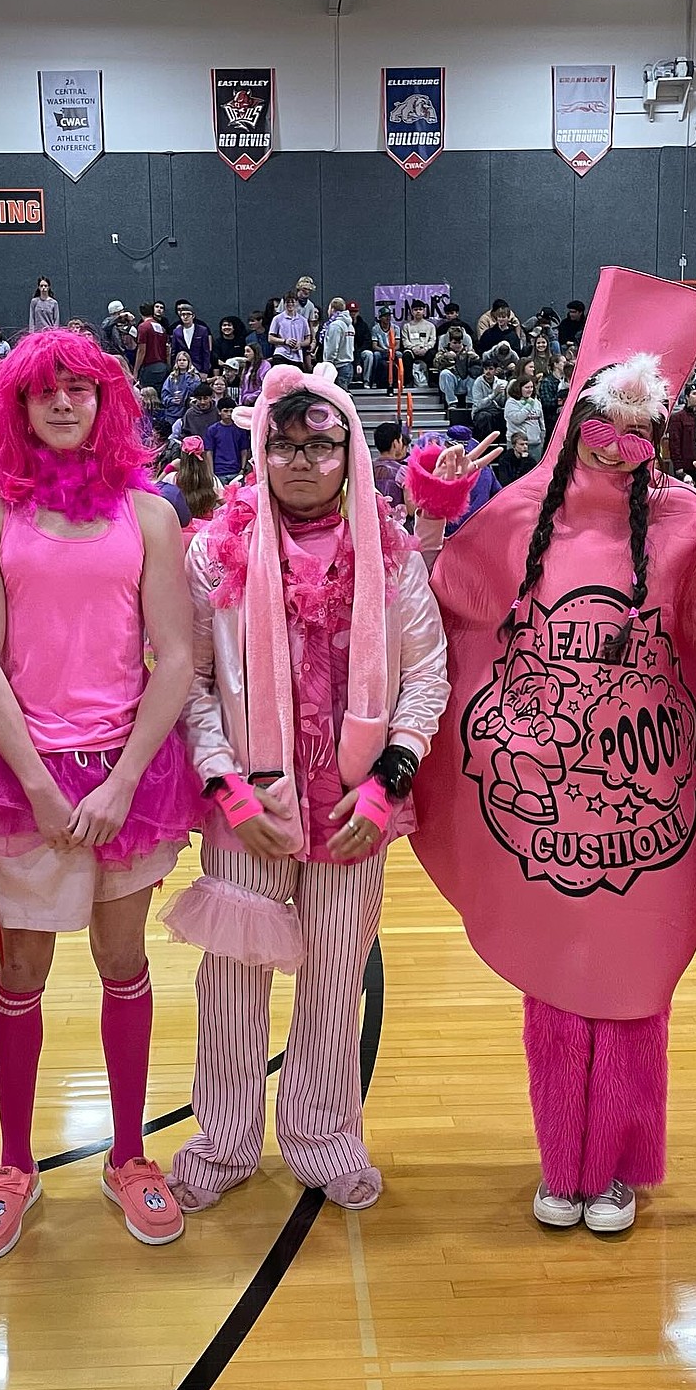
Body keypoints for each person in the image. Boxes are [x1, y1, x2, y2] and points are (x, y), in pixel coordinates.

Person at [411, 274, 696, 1238]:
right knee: (555, 987)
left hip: (646, 806)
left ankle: (618, 1166)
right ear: (577, 417)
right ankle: (563, 1162)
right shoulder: (516, 520)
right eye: (605, 422)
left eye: (638, 427)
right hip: (545, 810)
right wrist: (431, 513)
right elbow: (434, 610)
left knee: (629, 992)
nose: (620, 445)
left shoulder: (680, 526)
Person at [162, 361, 452, 1216]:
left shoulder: (392, 557)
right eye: (283, 446)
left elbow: (425, 677)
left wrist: (387, 783)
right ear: (260, 450)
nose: (300, 462)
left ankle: (324, 1134)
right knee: (235, 978)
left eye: (319, 445)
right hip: (247, 807)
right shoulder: (213, 553)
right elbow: (192, 680)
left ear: (348, 452)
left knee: (335, 974)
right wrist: (225, 785)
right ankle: (223, 1137)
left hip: (355, 809)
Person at [0, 327, 205, 1258]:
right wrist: (38, 785)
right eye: (45, 391)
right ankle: (14, 1164)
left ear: (107, 404)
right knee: (21, 973)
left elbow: (176, 656)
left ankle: (129, 1156)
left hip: (128, 771)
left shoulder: (150, 516)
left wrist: (123, 781)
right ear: (16, 406)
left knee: (122, 961)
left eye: (81, 389)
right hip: (27, 780)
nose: (64, 403)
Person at [204, 397, 247, 483]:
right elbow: (209, 452)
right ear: (219, 412)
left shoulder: (240, 429)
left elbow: (244, 450)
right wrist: (211, 472)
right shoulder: (212, 430)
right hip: (218, 472)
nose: (229, 414)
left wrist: (242, 469)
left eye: (231, 411)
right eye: (226, 411)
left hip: (236, 471)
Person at [503, 376, 547, 460]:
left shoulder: (536, 402)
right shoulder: (511, 402)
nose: (530, 390)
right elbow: (517, 419)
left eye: (531, 387)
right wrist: (528, 405)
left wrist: (541, 439)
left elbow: (541, 423)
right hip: (517, 445)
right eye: (527, 387)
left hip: (535, 444)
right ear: (519, 388)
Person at [435, 329, 477, 412]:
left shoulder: (469, 351)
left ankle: (470, 402)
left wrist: (476, 358)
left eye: (459, 343)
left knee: (473, 374)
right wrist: (445, 357)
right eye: (455, 343)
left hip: (464, 380)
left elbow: (478, 366)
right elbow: (436, 364)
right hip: (451, 381)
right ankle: (452, 402)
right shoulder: (443, 351)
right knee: (445, 373)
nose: (457, 345)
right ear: (450, 342)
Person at [134, 301, 171, 393]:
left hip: (149, 367)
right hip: (163, 366)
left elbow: (142, 350)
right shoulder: (161, 328)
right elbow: (167, 349)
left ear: (140, 313)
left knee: (148, 396)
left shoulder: (143, 327)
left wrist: (136, 370)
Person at [268, 292, 311, 371]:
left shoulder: (303, 320)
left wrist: (300, 344)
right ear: (284, 304)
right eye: (288, 302)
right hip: (281, 354)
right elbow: (270, 338)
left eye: (292, 302)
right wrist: (285, 341)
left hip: (297, 357)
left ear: (297, 303)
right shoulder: (277, 319)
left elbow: (308, 339)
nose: (290, 304)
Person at [170, 300, 213, 375]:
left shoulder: (202, 330)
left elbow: (206, 352)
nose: (185, 317)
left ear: (193, 316)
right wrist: (174, 368)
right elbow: (174, 353)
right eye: (183, 315)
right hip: (182, 369)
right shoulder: (176, 332)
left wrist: (205, 371)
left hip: (199, 368)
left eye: (188, 314)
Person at [322, 297, 356, 390]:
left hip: (338, 367)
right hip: (348, 365)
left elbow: (332, 347)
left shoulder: (335, 326)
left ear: (332, 309)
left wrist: (328, 362)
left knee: (338, 399)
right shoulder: (350, 325)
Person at [401, 300, 437, 387]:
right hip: (412, 350)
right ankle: (409, 382)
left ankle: (432, 381)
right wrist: (413, 348)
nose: (418, 311)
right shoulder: (407, 326)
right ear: (412, 311)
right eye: (415, 309)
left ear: (424, 311)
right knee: (406, 355)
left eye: (420, 309)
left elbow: (432, 340)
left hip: (425, 350)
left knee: (433, 353)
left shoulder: (430, 326)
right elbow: (405, 341)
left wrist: (426, 348)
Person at [372, 420, 406, 507]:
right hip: (399, 519)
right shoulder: (402, 471)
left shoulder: (368, 469)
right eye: (401, 440)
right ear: (395, 443)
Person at [160, 351, 200, 425]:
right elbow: (164, 395)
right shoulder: (171, 377)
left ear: (188, 362)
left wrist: (188, 376)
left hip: (188, 412)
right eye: (179, 360)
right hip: (173, 413)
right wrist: (172, 400)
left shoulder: (195, 377)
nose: (182, 362)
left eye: (184, 360)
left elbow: (195, 392)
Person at [366, 306, 400, 391]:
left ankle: (400, 381)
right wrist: (385, 350)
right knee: (376, 355)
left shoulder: (395, 328)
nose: (388, 318)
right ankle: (374, 380)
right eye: (385, 316)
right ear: (380, 317)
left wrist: (392, 350)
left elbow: (398, 344)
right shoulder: (376, 328)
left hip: (393, 350)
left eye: (389, 315)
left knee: (399, 355)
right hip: (381, 351)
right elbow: (374, 346)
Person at [348, 302, 374, 386]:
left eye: (355, 312)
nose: (353, 314)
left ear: (358, 312)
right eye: (351, 312)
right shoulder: (345, 325)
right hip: (348, 351)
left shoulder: (363, 325)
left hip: (360, 350)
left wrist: (359, 351)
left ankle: (367, 381)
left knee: (369, 354)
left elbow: (367, 341)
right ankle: (348, 380)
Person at [239, 341, 271, 406]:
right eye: (245, 351)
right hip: (245, 402)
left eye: (248, 351)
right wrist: (240, 401)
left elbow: (265, 385)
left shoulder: (264, 365)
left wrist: (252, 397)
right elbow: (242, 387)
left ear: (255, 352)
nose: (245, 354)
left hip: (258, 401)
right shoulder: (246, 367)